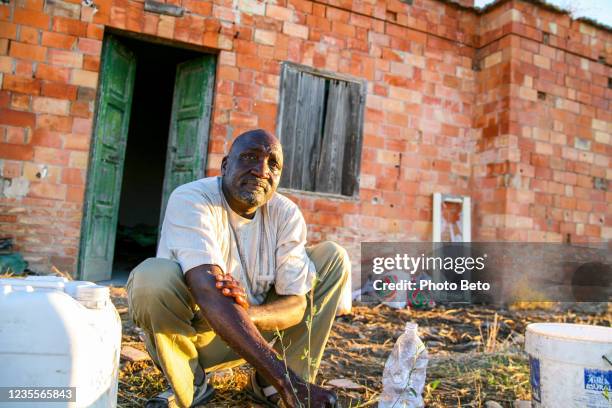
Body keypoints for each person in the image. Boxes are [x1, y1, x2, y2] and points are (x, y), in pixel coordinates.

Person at [127, 129, 350, 407]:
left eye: (273, 164)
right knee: (152, 277)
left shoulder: (286, 213)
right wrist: (287, 381)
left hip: (257, 337)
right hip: (196, 335)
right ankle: (191, 383)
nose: (261, 171)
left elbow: (296, 304)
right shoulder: (192, 199)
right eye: (249, 157)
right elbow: (207, 289)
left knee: (333, 257)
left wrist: (249, 314)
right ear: (225, 166)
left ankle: (271, 387)